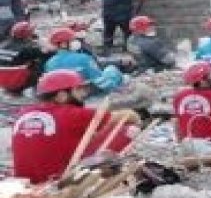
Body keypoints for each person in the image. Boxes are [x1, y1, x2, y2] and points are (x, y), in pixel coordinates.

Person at [11, 70, 140, 183]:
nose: (83, 94)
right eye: (78, 89)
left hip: (25, 180)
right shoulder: (75, 114)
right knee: (128, 130)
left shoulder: (23, 113)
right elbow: (129, 115)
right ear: (62, 95)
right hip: (58, 179)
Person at [44, 27, 124, 94]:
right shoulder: (83, 58)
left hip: (64, 93)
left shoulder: (49, 63)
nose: (76, 42)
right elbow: (99, 79)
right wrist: (116, 89)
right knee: (111, 70)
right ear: (63, 44)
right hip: (85, 91)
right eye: (72, 40)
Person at [0, 21, 47, 94]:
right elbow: (47, 53)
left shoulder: (2, 45)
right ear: (28, 35)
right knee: (40, 61)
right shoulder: (28, 48)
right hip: (18, 82)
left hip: (3, 82)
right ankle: (40, 90)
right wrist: (39, 42)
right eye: (32, 32)